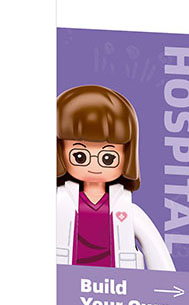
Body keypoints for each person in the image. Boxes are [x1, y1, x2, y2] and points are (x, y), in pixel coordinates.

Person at [56, 84, 174, 270]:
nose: (94, 165)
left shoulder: (127, 209)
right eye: (80, 156)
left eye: (108, 157)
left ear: (126, 154)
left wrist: (170, 283)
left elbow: (156, 251)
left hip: (117, 284)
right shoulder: (59, 203)